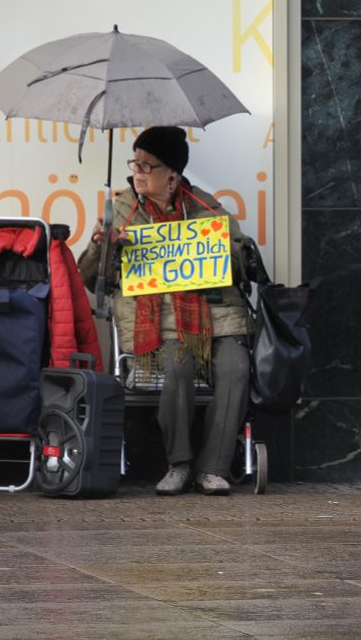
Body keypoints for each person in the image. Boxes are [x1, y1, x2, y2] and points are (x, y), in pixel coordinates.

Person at [78, 126, 252, 496]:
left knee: (236, 367)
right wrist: (102, 248)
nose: (137, 171)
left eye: (146, 164)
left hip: (217, 318)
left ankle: (214, 469)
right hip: (161, 323)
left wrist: (229, 250)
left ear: (171, 175)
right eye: (135, 162)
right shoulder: (122, 208)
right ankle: (179, 463)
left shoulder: (206, 207)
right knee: (177, 367)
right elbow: (92, 278)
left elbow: (238, 271)